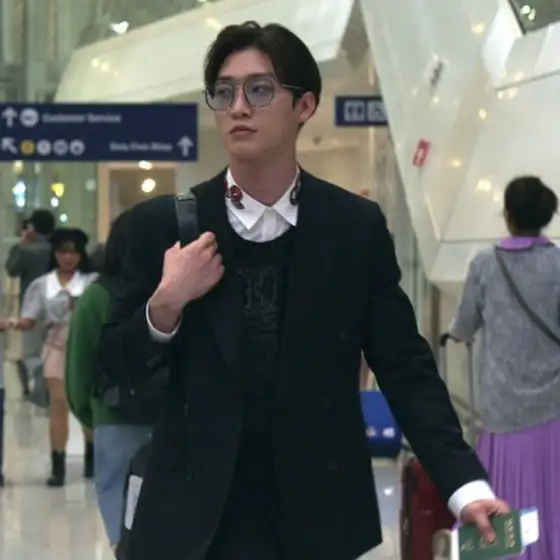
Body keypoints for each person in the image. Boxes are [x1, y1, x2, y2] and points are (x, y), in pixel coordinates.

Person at [98, 21, 508, 560]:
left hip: (316, 513)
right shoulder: (163, 226)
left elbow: (404, 366)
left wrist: (464, 485)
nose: (238, 107)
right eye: (224, 92)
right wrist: (166, 304)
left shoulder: (352, 227)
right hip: (195, 520)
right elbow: (114, 365)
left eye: (259, 90)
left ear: (305, 105)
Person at [449, 176, 560, 559]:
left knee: (504, 493)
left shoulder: (485, 265)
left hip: (502, 408)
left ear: (508, 215)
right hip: (554, 405)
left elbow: (463, 327)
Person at [65, 210, 152, 549]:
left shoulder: (97, 296)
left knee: (116, 493)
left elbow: (79, 366)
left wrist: (91, 413)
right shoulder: (174, 291)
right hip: (171, 414)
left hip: (114, 414)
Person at [3, 228, 97, 486]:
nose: (68, 257)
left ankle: (92, 459)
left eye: (73, 252)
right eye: (63, 252)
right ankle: (58, 466)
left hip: (86, 346)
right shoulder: (42, 284)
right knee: (58, 403)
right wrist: (10, 322)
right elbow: (30, 320)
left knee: (88, 402)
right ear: (55, 254)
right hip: (56, 346)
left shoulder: (92, 282)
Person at [5, 209, 55, 398]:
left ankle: (37, 390)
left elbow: (12, 269)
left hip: (32, 307)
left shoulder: (26, 251)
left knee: (31, 353)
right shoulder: (56, 249)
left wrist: (21, 244)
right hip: (57, 306)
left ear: (32, 227)